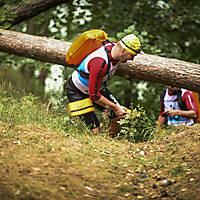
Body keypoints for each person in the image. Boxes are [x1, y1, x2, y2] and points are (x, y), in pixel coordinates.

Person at [66, 34, 142, 134]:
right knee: (94, 128)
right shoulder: (99, 63)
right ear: (123, 50)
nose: (132, 59)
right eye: (131, 55)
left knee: (119, 115)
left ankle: (110, 142)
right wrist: (115, 107)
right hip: (77, 91)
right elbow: (94, 96)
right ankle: (95, 144)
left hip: (97, 88)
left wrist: (116, 109)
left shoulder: (116, 47)